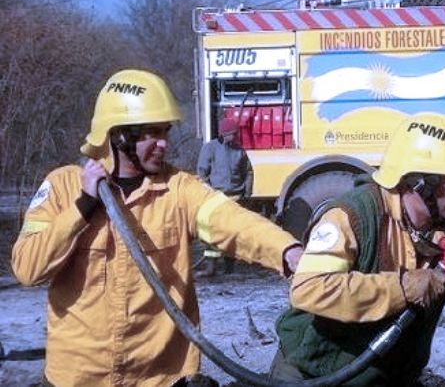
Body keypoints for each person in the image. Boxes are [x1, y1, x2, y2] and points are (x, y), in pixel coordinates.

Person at [11, 69, 303, 387]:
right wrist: (82, 206)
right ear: (119, 135)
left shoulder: (179, 190)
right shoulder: (62, 186)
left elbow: (234, 223)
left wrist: (287, 251)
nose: (164, 143)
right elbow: (28, 269)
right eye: (153, 133)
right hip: (76, 377)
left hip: (158, 378)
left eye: (165, 131)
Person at [271, 113, 445, 386]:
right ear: (420, 181)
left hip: (388, 376)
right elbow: (308, 289)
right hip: (312, 372)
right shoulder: (352, 215)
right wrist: (403, 288)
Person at [195, 116, 253, 276]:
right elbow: (201, 172)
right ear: (224, 134)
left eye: (236, 134)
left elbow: (248, 172)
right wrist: (209, 191)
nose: (235, 137)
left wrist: (247, 193)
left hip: (236, 198)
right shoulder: (210, 148)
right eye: (232, 134)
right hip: (216, 198)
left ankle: (229, 267)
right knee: (211, 233)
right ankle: (211, 267)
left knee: (232, 233)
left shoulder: (240, 151)